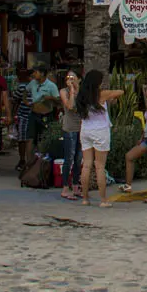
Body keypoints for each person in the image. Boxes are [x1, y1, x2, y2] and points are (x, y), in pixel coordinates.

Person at [76, 70, 123, 208]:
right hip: (100, 132)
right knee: (100, 166)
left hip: (85, 130)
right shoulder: (101, 94)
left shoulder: (82, 96)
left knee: (86, 165)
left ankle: (85, 198)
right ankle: (103, 200)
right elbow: (120, 92)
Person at [24, 64, 59, 159]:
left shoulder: (51, 86)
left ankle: (44, 163)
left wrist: (50, 98)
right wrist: (26, 101)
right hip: (34, 114)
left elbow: (58, 101)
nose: (34, 74)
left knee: (46, 139)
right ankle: (29, 163)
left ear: (42, 73)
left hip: (46, 115)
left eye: (36, 72)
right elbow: (25, 91)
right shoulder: (32, 83)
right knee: (30, 139)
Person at [59, 70, 83, 200]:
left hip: (81, 128)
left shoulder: (83, 92)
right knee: (69, 157)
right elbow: (69, 106)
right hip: (69, 128)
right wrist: (72, 91)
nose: (71, 80)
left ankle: (75, 186)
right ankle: (65, 188)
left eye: (73, 77)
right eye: (69, 78)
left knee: (78, 159)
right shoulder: (64, 92)